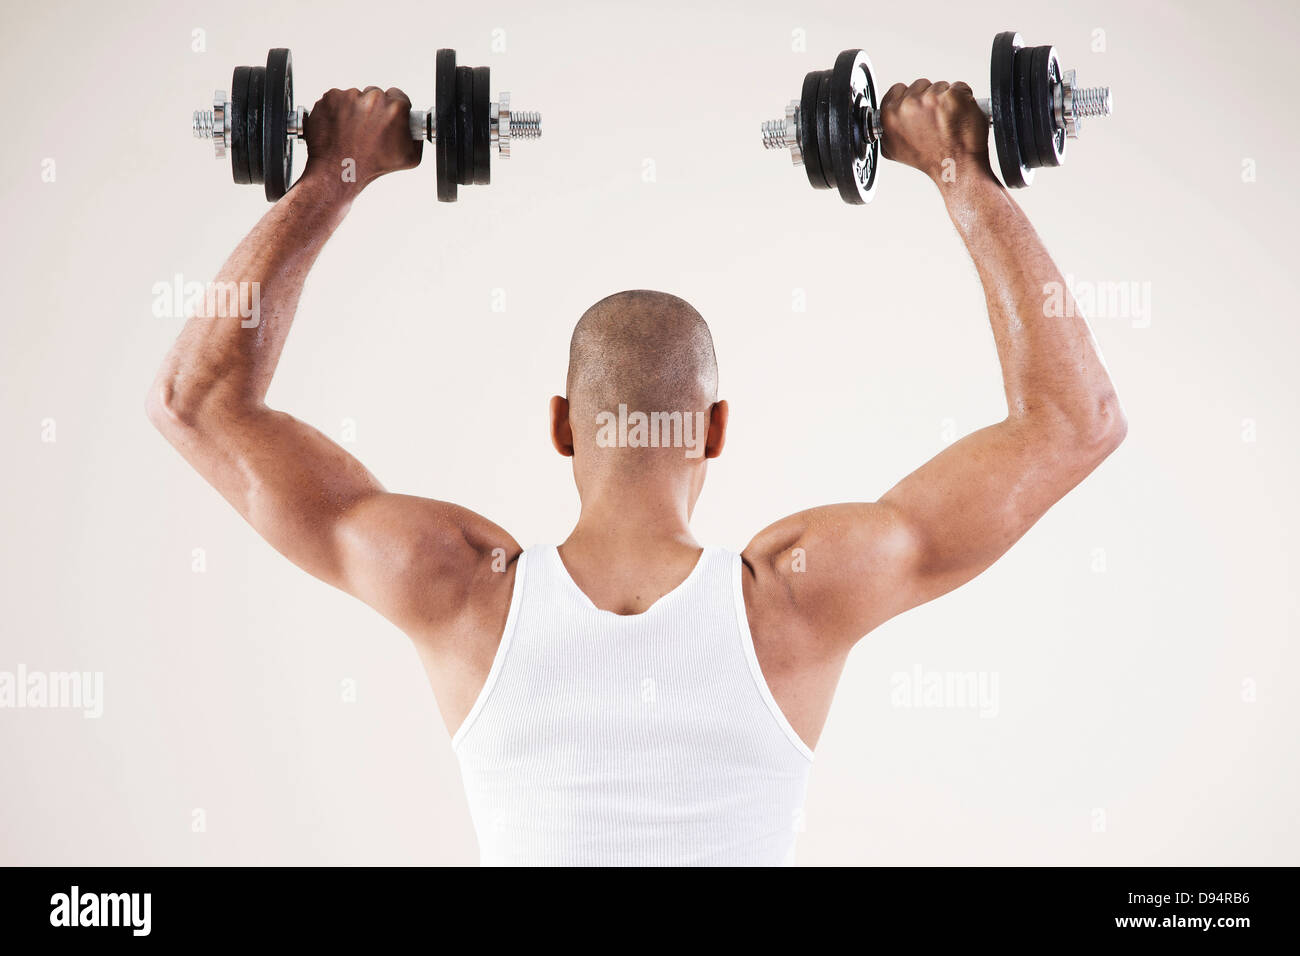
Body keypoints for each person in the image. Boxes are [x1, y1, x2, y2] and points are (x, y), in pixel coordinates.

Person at [147, 79, 1125, 866]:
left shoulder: (450, 582)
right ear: (717, 429)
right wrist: (960, 171)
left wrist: (334, 174)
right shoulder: (801, 591)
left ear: (562, 424)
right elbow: (1073, 422)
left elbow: (199, 403)